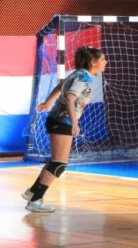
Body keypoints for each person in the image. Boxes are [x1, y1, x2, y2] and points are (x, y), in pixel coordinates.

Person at [22, 46, 108, 213]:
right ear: (93, 62)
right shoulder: (83, 78)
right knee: (59, 164)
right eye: (103, 59)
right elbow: (69, 98)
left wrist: (48, 102)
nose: (106, 62)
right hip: (63, 121)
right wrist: (74, 123)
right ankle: (36, 200)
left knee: (56, 162)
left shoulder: (79, 74)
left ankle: (32, 192)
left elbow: (61, 86)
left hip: (57, 119)